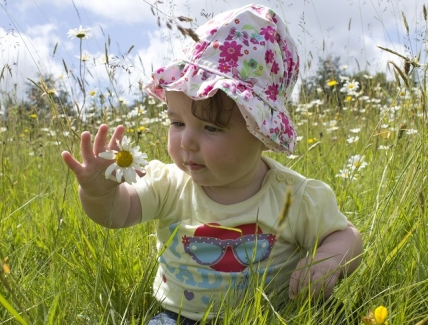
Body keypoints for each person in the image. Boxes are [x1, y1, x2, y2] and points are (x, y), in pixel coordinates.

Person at [61, 4, 363, 324]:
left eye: (211, 128)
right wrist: (98, 194)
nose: (186, 142)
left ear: (261, 132)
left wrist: (329, 262)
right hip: (178, 317)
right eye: (177, 123)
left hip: (272, 316)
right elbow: (118, 213)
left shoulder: (295, 196)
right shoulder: (169, 183)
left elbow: (346, 236)